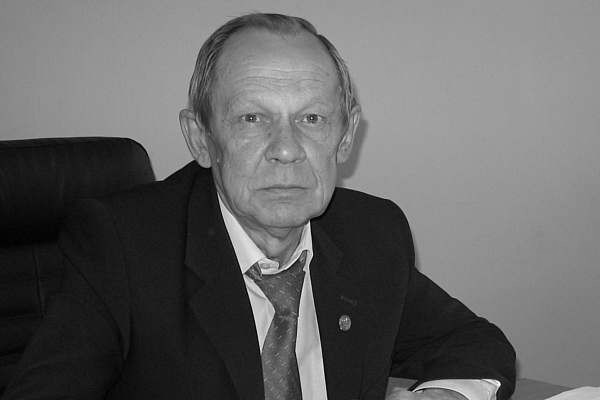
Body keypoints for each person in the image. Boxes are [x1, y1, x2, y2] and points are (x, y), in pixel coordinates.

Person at [3, 13, 515, 400]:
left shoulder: (371, 232)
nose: (286, 149)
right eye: (252, 118)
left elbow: (475, 342)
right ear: (200, 138)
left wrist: (445, 396)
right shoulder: (121, 246)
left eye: (312, 119)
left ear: (345, 138)